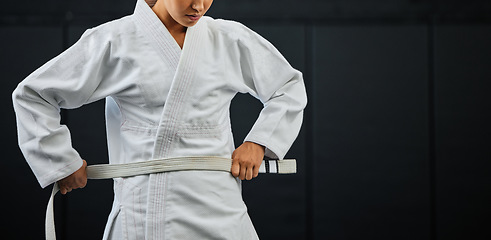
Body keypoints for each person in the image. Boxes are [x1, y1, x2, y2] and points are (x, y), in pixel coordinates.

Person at [12, 0, 307, 239]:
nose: (199, 5)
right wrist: (59, 160)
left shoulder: (229, 38)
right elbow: (33, 94)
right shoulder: (115, 40)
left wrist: (259, 142)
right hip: (145, 211)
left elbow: (288, 86)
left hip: (219, 205)